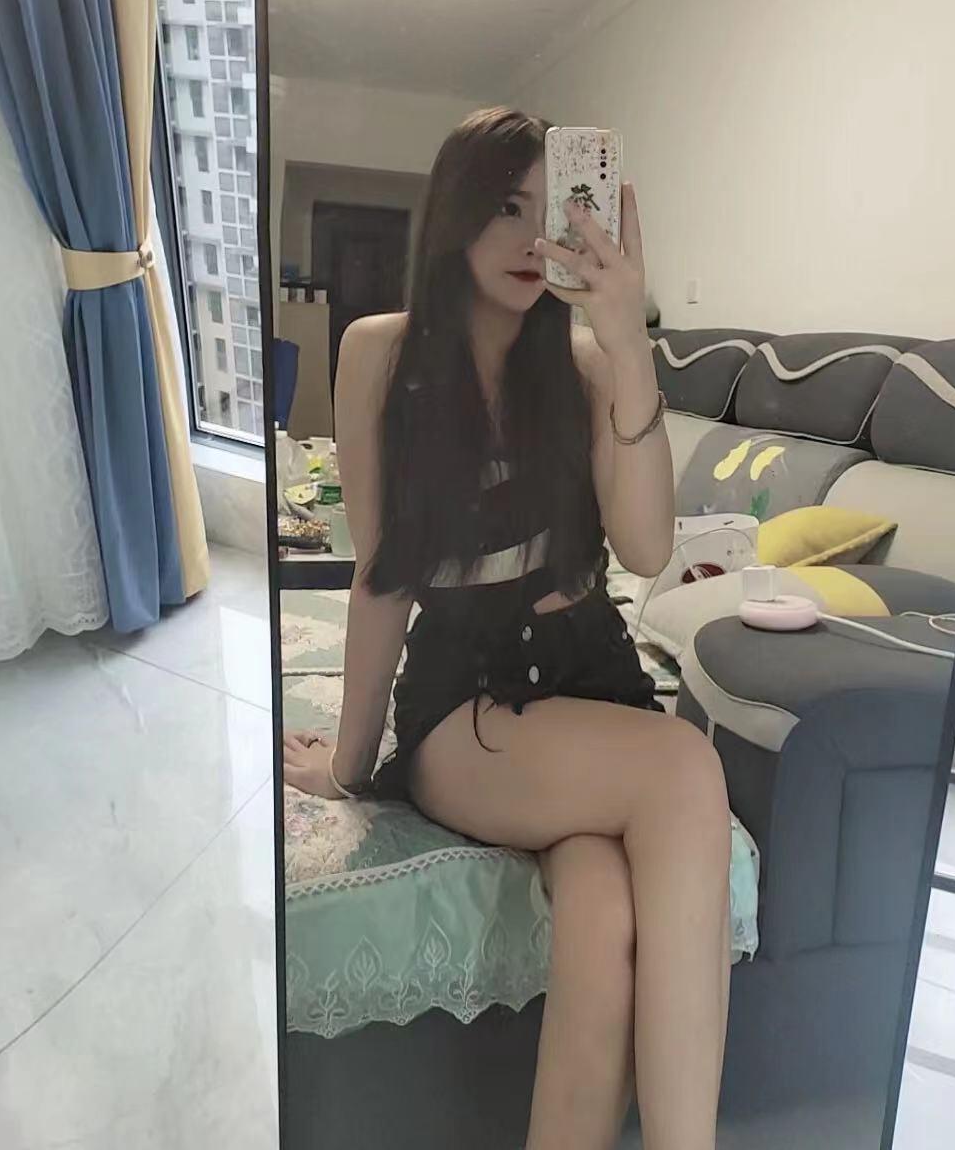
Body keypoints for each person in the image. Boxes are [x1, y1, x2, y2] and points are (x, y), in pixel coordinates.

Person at [283, 108, 730, 1150]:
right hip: (467, 701)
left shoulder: (584, 366)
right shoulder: (378, 353)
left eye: (554, 211)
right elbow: (381, 579)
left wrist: (628, 343)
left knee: (603, 917)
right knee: (684, 768)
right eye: (505, 208)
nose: (534, 239)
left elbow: (648, 548)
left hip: (596, 686)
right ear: (454, 216)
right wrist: (349, 765)